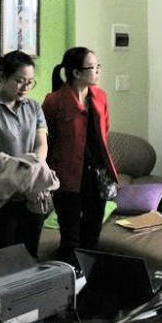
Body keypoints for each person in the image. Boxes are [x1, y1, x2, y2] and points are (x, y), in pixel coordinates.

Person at [0, 50, 53, 258]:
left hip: (31, 198)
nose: (25, 87)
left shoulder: (34, 107)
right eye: (19, 81)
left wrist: (34, 181)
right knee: (3, 261)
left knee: (29, 258)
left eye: (30, 82)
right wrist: (30, 179)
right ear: (3, 76)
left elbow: (41, 146)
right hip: (0, 199)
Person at [42, 47, 118, 268]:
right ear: (77, 72)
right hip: (67, 177)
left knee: (92, 233)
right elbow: (47, 140)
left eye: (98, 66)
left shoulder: (100, 97)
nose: (98, 71)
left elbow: (105, 132)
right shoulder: (54, 101)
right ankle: (70, 281)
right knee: (70, 238)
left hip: (97, 175)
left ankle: (90, 280)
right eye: (93, 67)